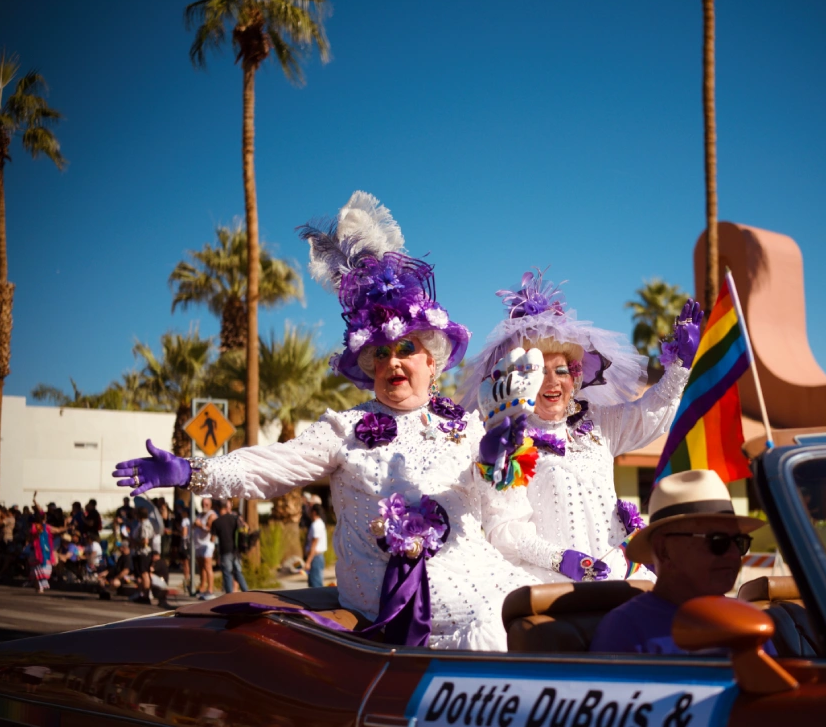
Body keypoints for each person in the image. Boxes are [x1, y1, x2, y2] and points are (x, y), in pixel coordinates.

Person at [112, 191, 539, 650]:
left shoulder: (468, 425)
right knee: (498, 631)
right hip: (402, 601)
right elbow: (270, 466)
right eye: (380, 353)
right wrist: (191, 470)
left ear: (432, 361)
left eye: (406, 349)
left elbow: (496, 503)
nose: (393, 362)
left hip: (482, 572)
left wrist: (495, 456)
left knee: (547, 610)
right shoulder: (345, 429)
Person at [461, 269, 697, 583]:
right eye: (538, 372)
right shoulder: (507, 443)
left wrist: (680, 367)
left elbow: (651, 413)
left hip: (621, 575)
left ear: (575, 378)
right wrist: (561, 560)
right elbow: (505, 529)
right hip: (552, 584)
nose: (552, 381)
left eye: (561, 371)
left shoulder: (599, 425)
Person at [590, 469, 766, 653]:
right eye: (718, 542)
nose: (733, 554)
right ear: (663, 550)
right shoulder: (625, 631)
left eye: (739, 542)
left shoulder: (750, 622)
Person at [211, 499, 249, 594]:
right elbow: (245, 528)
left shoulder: (216, 522)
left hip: (224, 550)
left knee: (227, 573)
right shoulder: (234, 518)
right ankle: (246, 592)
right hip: (235, 550)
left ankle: (229, 595)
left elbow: (212, 539)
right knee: (237, 572)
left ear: (218, 508)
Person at [192, 497, 217, 600]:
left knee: (208, 567)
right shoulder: (200, 514)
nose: (204, 506)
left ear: (210, 505)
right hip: (199, 544)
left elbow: (210, 529)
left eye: (206, 504)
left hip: (207, 544)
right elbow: (194, 526)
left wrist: (200, 525)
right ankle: (202, 588)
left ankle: (210, 589)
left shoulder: (211, 515)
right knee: (201, 567)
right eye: (203, 504)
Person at [130, 506, 155, 604]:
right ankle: (141, 593)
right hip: (139, 552)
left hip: (144, 553)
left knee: (144, 573)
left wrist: (135, 543)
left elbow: (145, 541)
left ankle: (146, 595)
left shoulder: (145, 525)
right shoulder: (141, 524)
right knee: (141, 574)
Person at [304, 504, 328, 588]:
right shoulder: (319, 523)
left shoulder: (316, 525)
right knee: (313, 583)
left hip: (315, 558)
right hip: (316, 558)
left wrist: (308, 562)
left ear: (314, 512)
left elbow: (314, 545)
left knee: (316, 585)